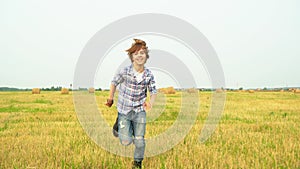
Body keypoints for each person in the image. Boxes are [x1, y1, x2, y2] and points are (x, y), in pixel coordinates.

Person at [105, 39, 157, 169]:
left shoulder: (149, 74)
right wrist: (110, 98)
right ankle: (119, 124)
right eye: (136, 53)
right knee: (126, 141)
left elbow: (153, 90)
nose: (140, 55)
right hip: (124, 110)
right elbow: (114, 82)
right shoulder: (125, 71)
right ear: (132, 57)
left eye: (142, 53)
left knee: (139, 139)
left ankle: (137, 163)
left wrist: (151, 102)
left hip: (139, 110)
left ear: (146, 56)